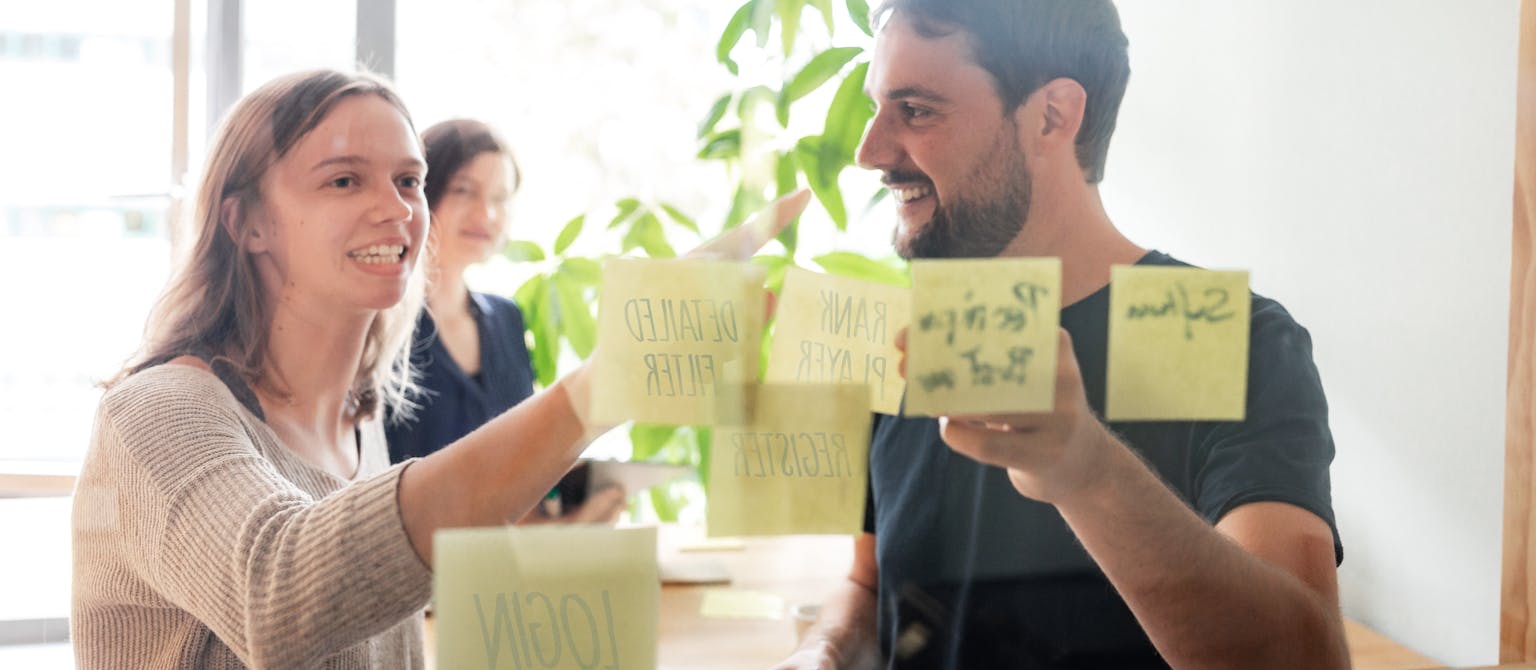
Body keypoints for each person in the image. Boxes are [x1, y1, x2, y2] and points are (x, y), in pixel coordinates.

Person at [71, 69, 795, 668]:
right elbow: (278, 595)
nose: (396, 210)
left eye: (409, 181)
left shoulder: (361, 426)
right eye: (345, 181)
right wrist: (605, 384)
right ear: (245, 222)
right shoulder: (158, 412)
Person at [774, 2, 1346, 669]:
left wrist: (1085, 469)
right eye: (877, 107)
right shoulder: (916, 332)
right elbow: (870, 583)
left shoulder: (1220, 334)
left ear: (1053, 115)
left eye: (918, 110)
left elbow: (1305, 661)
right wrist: (823, 650)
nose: (870, 152)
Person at [386, 118, 623, 523]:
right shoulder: (383, 327)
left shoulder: (506, 319)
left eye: (501, 198)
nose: (487, 213)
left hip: (502, 566)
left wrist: (565, 517)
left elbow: (523, 464)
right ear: (421, 191)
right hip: (414, 564)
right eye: (465, 190)